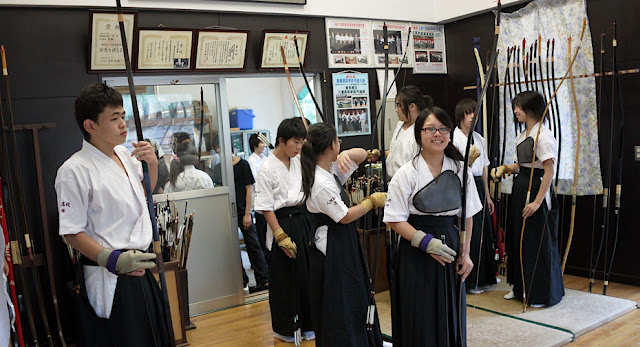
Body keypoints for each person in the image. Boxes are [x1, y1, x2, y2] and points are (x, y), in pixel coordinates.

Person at [55, 82, 169, 346]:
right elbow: (71, 232)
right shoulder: (73, 170)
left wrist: (151, 165)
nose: (123, 124)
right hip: (111, 274)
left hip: (141, 265)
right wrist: (112, 260)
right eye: (114, 118)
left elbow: (143, 195)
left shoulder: (124, 155)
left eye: (123, 116)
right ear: (90, 126)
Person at [384, 107, 481, 346]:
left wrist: (465, 253)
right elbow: (394, 218)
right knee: (420, 314)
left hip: (450, 248)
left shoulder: (460, 170)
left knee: (450, 312)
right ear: (419, 134)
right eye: (430, 129)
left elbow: (467, 215)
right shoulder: (406, 173)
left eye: (443, 129)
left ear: (449, 133)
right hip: (415, 249)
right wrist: (425, 242)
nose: (437, 134)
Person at [301, 123, 385, 346]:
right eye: (339, 141)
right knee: (341, 301)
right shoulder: (320, 182)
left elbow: (360, 156)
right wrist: (371, 202)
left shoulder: (330, 168)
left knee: (355, 293)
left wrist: (346, 153)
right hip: (332, 250)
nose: (341, 144)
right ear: (330, 145)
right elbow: (345, 216)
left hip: (343, 243)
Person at [492, 91, 564, 307]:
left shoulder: (544, 135)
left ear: (531, 108)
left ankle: (540, 293)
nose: (515, 111)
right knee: (518, 237)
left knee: (536, 240)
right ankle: (519, 286)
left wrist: (537, 202)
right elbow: (520, 165)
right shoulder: (522, 135)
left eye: (519, 107)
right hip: (521, 186)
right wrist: (505, 168)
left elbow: (548, 171)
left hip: (537, 189)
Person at [254, 117, 315, 343]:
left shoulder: (299, 161)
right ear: (281, 140)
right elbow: (266, 207)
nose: (299, 147)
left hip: (303, 220)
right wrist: (280, 235)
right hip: (282, 222)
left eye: (302, 142)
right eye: (295, 142)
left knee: (306, 275)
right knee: (285, 279)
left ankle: (309, 325)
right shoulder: (267, 168)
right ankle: (286, 329)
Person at [452, 99, 498, 294]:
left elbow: (485, 168)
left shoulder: (479, 138)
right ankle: (471, 280)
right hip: (463, 184)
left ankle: (486, 276)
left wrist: (488, 195)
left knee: (485, 232)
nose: (473, 117)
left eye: (475, 113)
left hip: (478, 184)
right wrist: (468, 163)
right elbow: (456, 168)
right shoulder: (454, 138)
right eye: (469, 113)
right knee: (472, 231)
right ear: (461, 115)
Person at [386, 86, 433, 178]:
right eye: (396, 106)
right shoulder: (400, 124)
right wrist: (380, 154)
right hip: (394, 180)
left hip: (411, 182)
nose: (396, 110)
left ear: (412, 106)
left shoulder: (423, 130)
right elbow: (395, 153)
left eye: (399, 106)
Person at [247, 133, 273, 262]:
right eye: (261, 143)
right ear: (254, 145)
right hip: (260, 202)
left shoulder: (265, 158)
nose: (264, 146)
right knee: (262, 233)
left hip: (270, 199)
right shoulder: (251, 161)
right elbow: (256, 182)